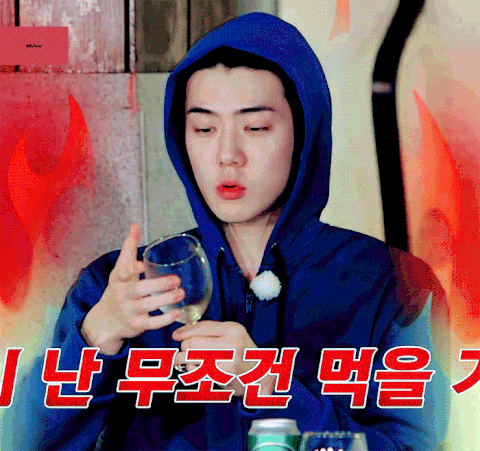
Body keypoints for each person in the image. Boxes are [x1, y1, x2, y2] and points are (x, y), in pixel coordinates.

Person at [3, 12, 449, 451]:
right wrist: (96, 338)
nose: (227, 154)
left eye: (255, 127)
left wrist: (268, 384)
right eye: (204, 128)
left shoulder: (395, 288)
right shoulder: (119, 289)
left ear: (306, 132)